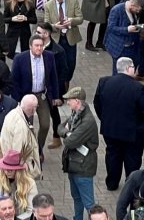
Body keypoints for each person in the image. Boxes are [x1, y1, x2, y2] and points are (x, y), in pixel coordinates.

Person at [94, 56, 144, 191]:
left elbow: (97, 103)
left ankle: (112, 183)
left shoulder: (104, 82)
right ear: (128, 68)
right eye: (133, 67)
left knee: (112, 155)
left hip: (111, 129)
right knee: (132, 158)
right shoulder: (138, 88)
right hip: (133, 132)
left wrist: (105, 119)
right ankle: (130, 184)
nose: (134, 69)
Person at [57, 86, 98, 220]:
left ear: (77, 101)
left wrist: (68, 135)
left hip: (83, 168)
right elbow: (59, 127)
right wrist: (67, 133)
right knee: (76, 198)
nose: (67, 102)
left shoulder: (87, 121)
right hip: (73, 165)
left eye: (69, 100)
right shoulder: (76, 114)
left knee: (88, 203)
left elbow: (69, 142)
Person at [0, 149, 38, 217]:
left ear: (18, 170)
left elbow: (31, 211)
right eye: (4, 168)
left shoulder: (30, 184)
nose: (6, 172)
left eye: (10, 170)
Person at [104, 0, 144, 73]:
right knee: (118, 72)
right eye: (136, 10)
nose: (137, 12)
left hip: (132, 47)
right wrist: (127, 29)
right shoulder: (116, 10)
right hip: (119, 47)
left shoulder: (133, 12)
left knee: (130, 71)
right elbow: (111, 28)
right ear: (132, 5)